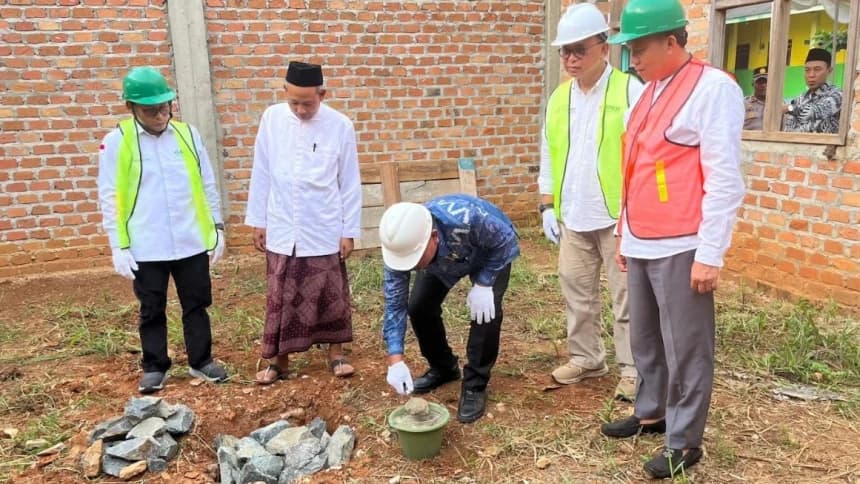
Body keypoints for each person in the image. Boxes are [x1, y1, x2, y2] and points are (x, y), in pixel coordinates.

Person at [599, 0, 746, 478]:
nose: (632, 59)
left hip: (683, 243)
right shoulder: (649, 92)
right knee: (645, 340)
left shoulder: (712, 90)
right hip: (643, 238)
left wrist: (711, 252)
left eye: (639, 48)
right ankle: (652, 412)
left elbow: (724, 178)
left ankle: (684, 442)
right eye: (630, 50)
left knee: (685, 348)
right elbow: (634, 169)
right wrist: (624, 231)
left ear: (672, 41)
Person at [97, 67, 229, 394]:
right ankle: (155, 366)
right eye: (150, 110)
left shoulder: (187, 135)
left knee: (196, 304)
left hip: (190, 240)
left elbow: (207, 182)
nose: (160, 115)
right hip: (147, 243)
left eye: (165, 107)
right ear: (131, 108)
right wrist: (118, 246)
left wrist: (217, 226)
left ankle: (201, 361)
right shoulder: (117, 142)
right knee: (152, 308)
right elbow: (110, 195)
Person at [538, 2, 644, 401]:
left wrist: (639, 214)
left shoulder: (630, 90)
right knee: (576, 293)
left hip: (619, 218)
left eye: (578, 49)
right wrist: (547, 205)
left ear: (604, 46)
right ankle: (586, 358)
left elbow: (645, 156)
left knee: (627, 299)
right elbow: (549, 152)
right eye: (564, 50)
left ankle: (634, 369)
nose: (570, 58)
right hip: (574, 216)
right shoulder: (559, 98)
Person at [245, 61, 362, 384]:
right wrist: (259, 221)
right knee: (280, 294)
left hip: (323, 223)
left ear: (323, 94)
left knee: (330, 294)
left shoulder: (340, 125)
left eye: (307, 103)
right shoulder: (272, 119)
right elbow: (262, 170)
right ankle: (278, 361)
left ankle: (336, 354)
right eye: (293, 101)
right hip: (282, 223)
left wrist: (348, 230)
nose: (299, 109)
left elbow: (349, 181)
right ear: (284, 92)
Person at [379, 195, 519, 423]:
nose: (411, 268)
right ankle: (444, 368)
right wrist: (396, 359)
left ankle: (475, 384)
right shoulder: (401, 247)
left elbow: (506, 241)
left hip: (488, 254)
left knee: (486, 312)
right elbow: (395, 305)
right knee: (420, 307)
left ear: (433, 237)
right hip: (441, 262)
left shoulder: (469, 218)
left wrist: (484, 283)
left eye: (415, 260)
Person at [783, 48, 842, 133]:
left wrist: (789, 108)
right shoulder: (800, 98)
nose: (811, 75)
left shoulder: (837, 95)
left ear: (829, 71)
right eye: (807, 70)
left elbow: (813, 111)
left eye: (817, 69)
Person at [744, 66, 767, 130]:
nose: (763, 85)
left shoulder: (779, 105)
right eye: (760, 82)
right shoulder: (743, 104)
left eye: (766, 82)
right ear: (752, 84)